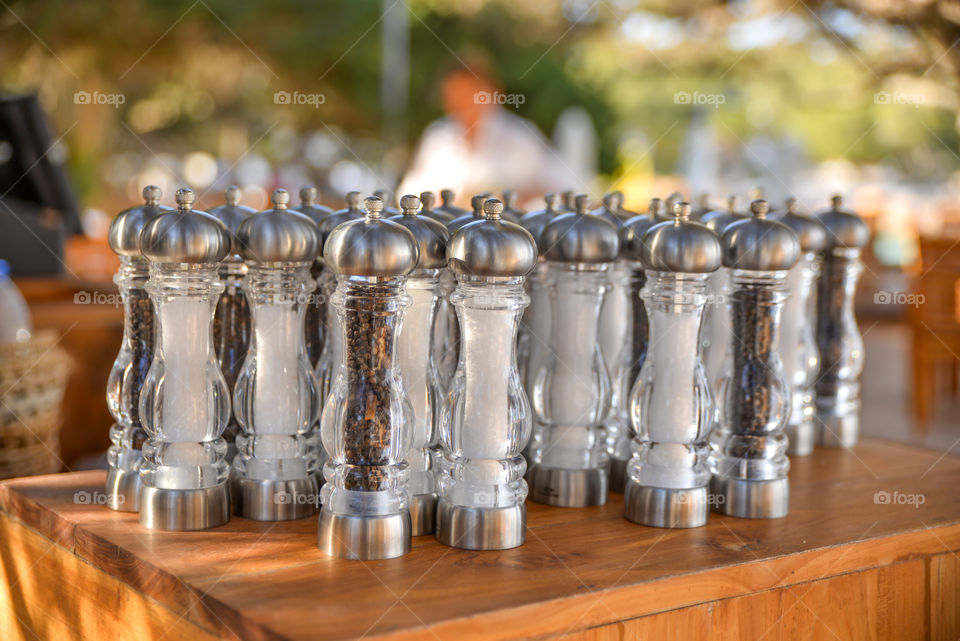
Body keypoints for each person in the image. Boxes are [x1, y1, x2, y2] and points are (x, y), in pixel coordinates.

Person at [398, 66, 583, 205]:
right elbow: (409, 190)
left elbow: (564, 187)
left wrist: (518, 198)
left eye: (468, 93)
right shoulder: (437, 137)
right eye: (453, 96)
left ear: (491, 92)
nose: (460, 103)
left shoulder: (521, 135)